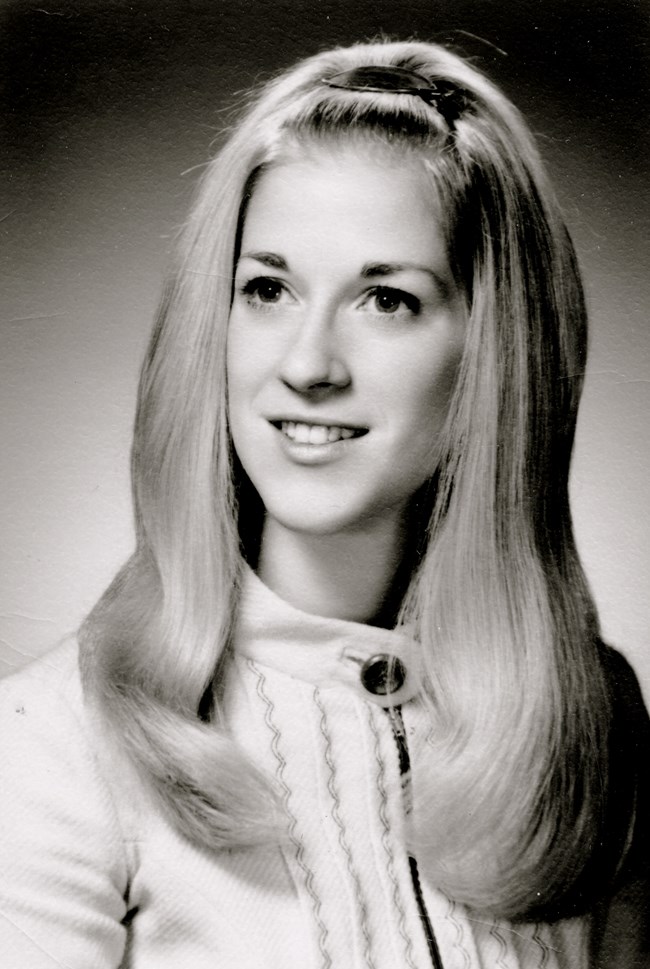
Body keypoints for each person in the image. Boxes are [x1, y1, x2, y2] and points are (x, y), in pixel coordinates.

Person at [0, 38, 647, 969]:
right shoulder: (56, 743)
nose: (307, 365)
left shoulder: (596, 724)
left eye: (385, 299)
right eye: (267, 289)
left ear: (494, 350)